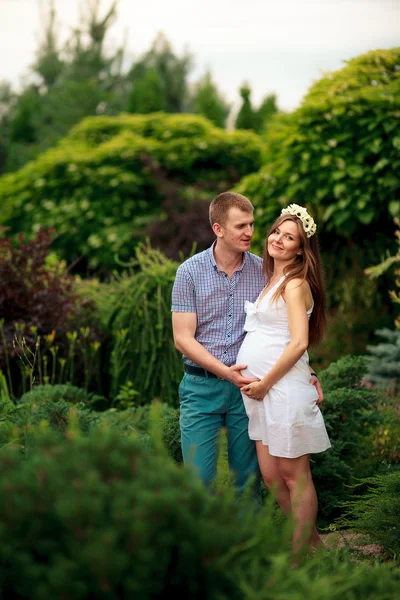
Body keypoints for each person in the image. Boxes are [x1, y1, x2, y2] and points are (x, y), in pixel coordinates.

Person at [171, 192, 323, 500]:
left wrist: (307, 371)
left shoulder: (265, 271)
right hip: (202, 388)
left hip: (251, 390)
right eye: (241, 226)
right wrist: (227, 373)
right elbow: (182, 339)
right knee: (199, 482)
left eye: (252, 224)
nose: (250, 233)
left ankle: (249, 546)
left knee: (250, 484)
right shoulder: (189, 272)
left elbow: (282, 328)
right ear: (218, 229)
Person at [237, 203, 331, 557]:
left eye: (289, 236)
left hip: (280, 392)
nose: (277, 239)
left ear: (300, 248)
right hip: (260, 395)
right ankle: (314, 548)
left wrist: (265, 383)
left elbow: (298, 342)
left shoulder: (294, 285)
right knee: (273, 478)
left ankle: (297, 560)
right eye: (276, 231)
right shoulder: (271, 279)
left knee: (295, 477)